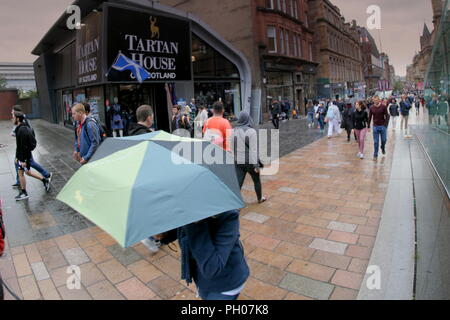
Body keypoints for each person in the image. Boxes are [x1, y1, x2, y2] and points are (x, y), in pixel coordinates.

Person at [178, 209, 250, 300]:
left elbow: (212, 269)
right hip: (202, 278)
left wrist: (195, 224)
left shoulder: (228, 215)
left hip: (227, 282)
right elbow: (185, 232)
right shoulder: (189, 210)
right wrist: (165, 235)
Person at [128, 105, 162, 253]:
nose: (152, 118)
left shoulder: (132, 132)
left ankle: (153, 236)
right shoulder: (148, 135)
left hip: (138, 176)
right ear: (149, 118)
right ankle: (149, 236)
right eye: (152, 116)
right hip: (150, 177)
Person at [11, 105, 52, 189]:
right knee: (26, 171)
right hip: (22, 152)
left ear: (17, 115)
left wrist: (23, 159)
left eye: (12, 113)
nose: (11, 115)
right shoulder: (20, 123)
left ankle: (46, 175)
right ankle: (44, 179)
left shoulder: (23, 124)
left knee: (28, 167)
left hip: (24, 152)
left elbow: (26, 139)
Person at [231, 111, 267, 204]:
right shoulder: (251, 132)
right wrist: (256, 165)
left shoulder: (233, 131)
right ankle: (260, 198)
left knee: (238, 182)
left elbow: (232, 147)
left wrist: (234, 158)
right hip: (250, 162)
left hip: (238, 161)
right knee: (256, 181)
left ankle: (235, 203)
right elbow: (254, 150)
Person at [368, 96, 390, 161]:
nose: (375, 101)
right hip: (375, 126)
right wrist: (368, 126)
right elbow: (369, 117)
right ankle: (375, 155)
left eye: (376, 100)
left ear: (379, 100)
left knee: (384, 140)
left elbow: (387, 116)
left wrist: (385, 125)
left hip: (382, 126)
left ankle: (382, 147)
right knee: (376, 142)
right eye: (374, 100)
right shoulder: (371, 107)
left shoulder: (383, 107)